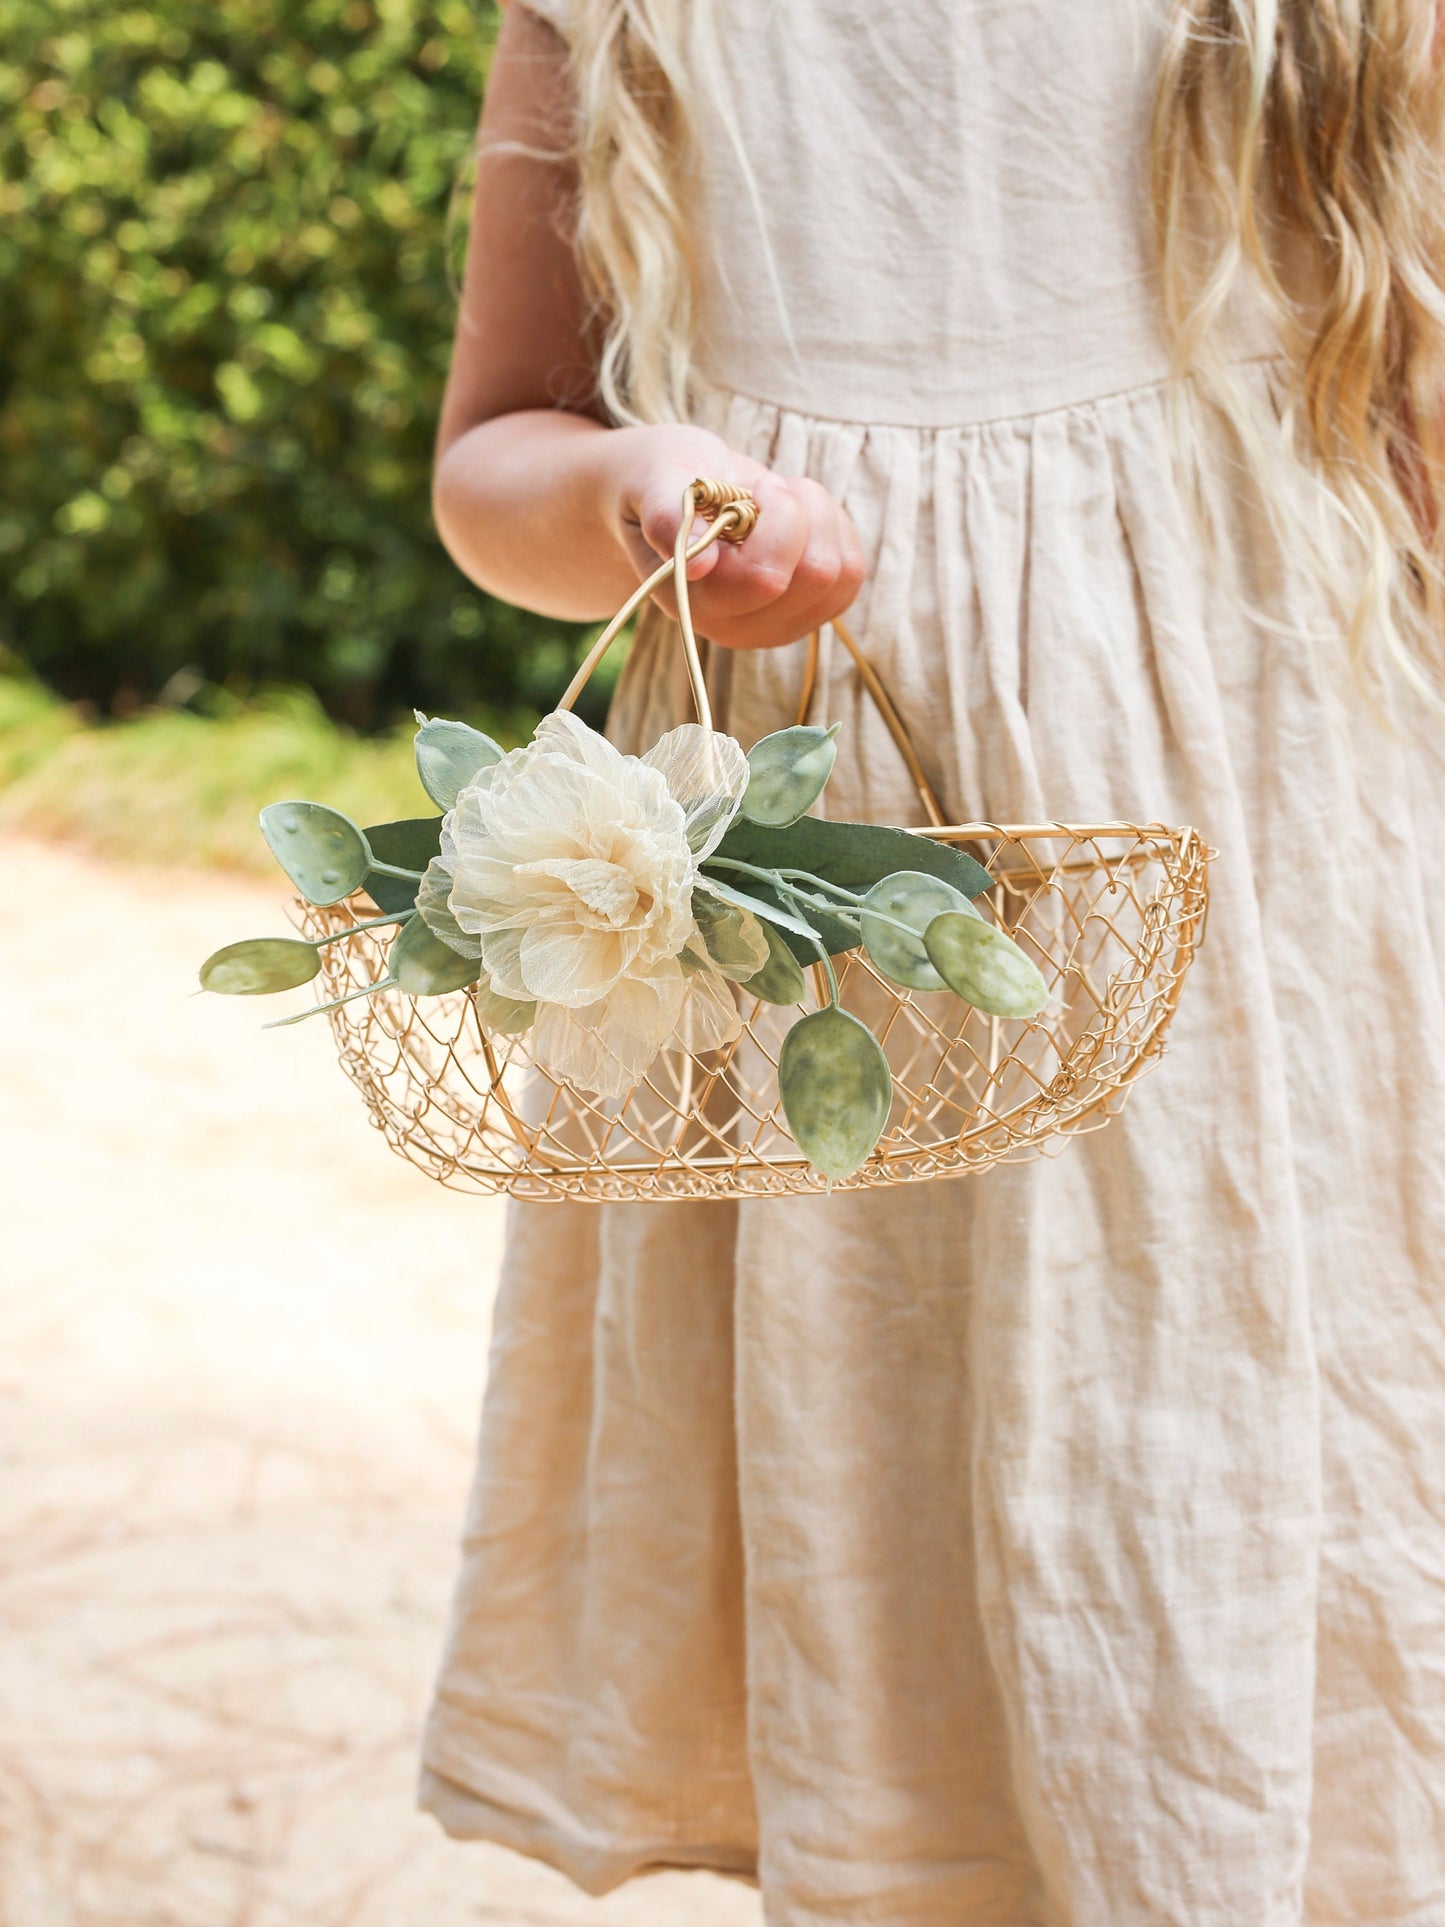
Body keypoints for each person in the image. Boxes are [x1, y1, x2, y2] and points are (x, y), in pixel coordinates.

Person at [417, 3, 1445, 1921]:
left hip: (1267, 891)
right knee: (896, 1609)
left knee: (1239, 1565)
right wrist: (632, 499)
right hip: (825, 918)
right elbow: (496, 455)